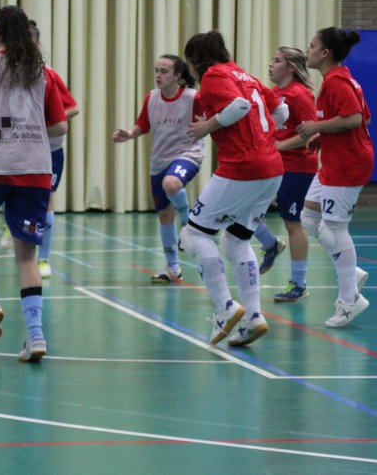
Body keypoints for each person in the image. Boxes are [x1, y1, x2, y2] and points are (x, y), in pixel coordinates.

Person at [0, 5, 68, 363]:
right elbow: (61, 127)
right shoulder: (44, 73)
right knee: (27, 256)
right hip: (35, 169)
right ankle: (35, 335)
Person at [182, 30, 288, 347]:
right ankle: (253, 317)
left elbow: (239, 106)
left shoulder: (214, 75)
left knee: (194, 234)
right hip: (272, 167)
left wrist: (205, 127)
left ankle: (226, 308)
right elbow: (282, 112)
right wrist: (262, 134)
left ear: (196, 59)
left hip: (243, 167)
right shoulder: (247, 75)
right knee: (237, 240)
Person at [296, 27, 374, 328]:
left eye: (312, 45)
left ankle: (349, 301)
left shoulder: (337, 82)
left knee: (335, 227)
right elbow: (364, 117)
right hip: (334, 159)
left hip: (348, 164)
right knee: (309, 218)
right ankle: (349, 269)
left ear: (325, 53)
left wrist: (316, 127)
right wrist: (325, 135)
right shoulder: (339, 79)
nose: (308, 50)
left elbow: (354, 118)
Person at [112, 55, 205, 283]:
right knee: (164, 216)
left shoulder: (194, 98)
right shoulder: (152, 97)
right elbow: (143, 124)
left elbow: (209, 120)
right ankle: (172, 268)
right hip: (159, 161)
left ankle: (187, 222)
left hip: (188, 155)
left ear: (178, 76)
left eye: (164, 71)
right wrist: (130, 134)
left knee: (171, 183)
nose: (158, 75)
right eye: (156, 70)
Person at [251, 47, 320, 302]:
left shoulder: (300, 95)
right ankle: (270, 244)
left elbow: (312, 135)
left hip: (297, 166)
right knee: (243, 208)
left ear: (291, 67)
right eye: (271, 59)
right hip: (272, 164)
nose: (270, 64)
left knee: (292, 222)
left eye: (277, 60)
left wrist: (280, 145)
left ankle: (299, 285)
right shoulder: (273, 95)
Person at [28, 20, 79, 279]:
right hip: (21, 146)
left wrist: (44, 124)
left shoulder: (48, 74)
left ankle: (44, 259)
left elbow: (73, 108)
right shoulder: (4, 73)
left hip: (50, 148)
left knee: (46, 199)